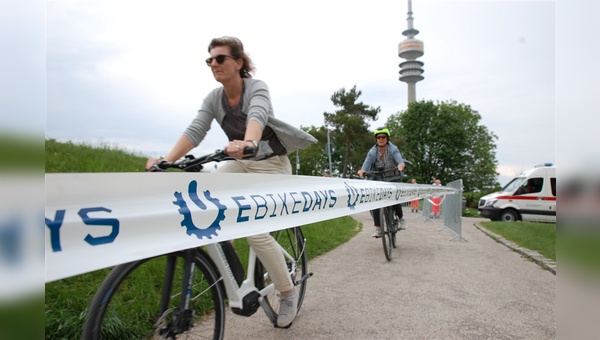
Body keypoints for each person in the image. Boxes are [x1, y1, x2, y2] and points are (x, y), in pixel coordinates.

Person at [145, 36, 316, 328]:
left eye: (220, 58)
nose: (213, 64)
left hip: (271, 166)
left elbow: (258, 115)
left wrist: (249, 141)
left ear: (238, 62)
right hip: (240, 163)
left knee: (256, 230)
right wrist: (166, 160)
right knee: (207, 202)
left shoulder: (256, 88)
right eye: (209, 59)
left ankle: (287, 292)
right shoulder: (215, 98)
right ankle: (230, 263)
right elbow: (196, 130)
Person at [357, 127, 407, 238]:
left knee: (394, 199)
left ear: (387, 138)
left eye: (383, 137)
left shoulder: (393, 148)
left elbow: (398, 158)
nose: (381, 139)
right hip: (378, 180)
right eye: (378, 137)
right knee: (375, 202)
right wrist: (362, 170)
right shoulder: (372, 152)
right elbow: (367, 162)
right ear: (376, 139)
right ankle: (378, 229)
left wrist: (400, 164)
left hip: (393, 177)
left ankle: (401, 218)